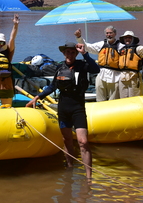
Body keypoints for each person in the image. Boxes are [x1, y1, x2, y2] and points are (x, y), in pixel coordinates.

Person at [25, 42, 99, 179]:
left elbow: (96, 69)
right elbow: (53, 86)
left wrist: (85, 53)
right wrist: (38, 97)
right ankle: (70, 169)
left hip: (78, 108)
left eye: (72, 52)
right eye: (67, 52)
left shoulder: (83, 65)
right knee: (67, 140)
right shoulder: (59, 68)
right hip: (64, 107)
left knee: (83, 142)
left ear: (76, 54)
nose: (70, 54)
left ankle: (89, 177)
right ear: (64, 53)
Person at [75, 26, 122, 102]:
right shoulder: (101, 44)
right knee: (100, 98)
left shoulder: (120, 46)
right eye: (107, 33)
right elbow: (87, 47)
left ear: (115, 34)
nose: (109, 35)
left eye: (110, 33)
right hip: (101, 74)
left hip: (115, 75)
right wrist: (79, 37)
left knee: (114, 99)